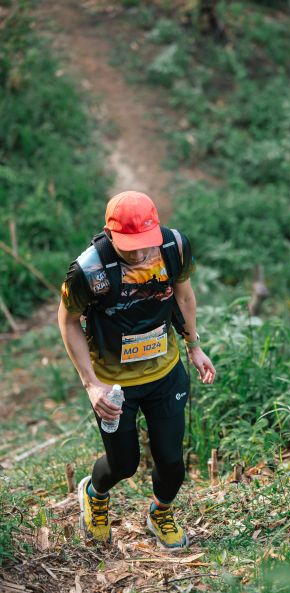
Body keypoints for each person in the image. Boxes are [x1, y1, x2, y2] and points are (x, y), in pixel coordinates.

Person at [58, 190, 216, 551]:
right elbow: (67, 321)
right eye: (131, 246)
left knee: (172, 461)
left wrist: (194, 346)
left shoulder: (174, 247)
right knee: (123, 464)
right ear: (109, 234)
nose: (142, 253)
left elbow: (184, 296)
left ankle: (161, 513)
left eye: (146, 242)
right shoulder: (88, 270)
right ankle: (94, 494)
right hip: (114, 386)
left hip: (165, 374)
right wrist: (91, 385)